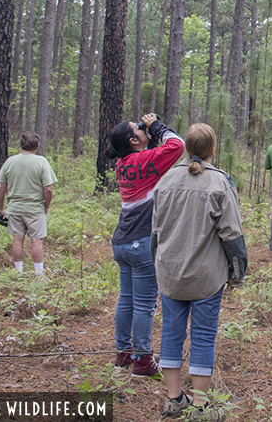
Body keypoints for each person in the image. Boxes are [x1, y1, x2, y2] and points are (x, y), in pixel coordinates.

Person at [152, 123, 247, 421]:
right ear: (212, 149)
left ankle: (173, 400)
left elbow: (155, 232)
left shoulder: (165, 180)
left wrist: (157, 262)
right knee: (204, 337)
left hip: (169, 273)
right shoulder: (219, 184)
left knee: (171, 332)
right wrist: (237, 272)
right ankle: (201, 406)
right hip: (206, 276)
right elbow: (232, 234)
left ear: (185, 147)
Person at [105, 113, 184, 377]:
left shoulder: (122, 163)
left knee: (126, 299)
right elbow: (177, 146)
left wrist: (146, 134)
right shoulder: (143, 160)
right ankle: (142, 359)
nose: (142, 129)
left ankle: (123, 352)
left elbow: (152, 154)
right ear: (132, 140)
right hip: (140, 242)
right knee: (144, 304)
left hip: (122, 241)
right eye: (136, 129)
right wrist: (156, 127)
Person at [0, 131, 56, 276]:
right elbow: (48, 188)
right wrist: (46, 205)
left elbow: (1, 186)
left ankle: (18, 272)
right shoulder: (41, 162)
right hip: (35, 209)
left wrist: (0, 208)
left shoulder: (10, 161)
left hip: (15, 208)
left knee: (17, 239)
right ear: (37, 145)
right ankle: (39, 275)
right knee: (36, 241)